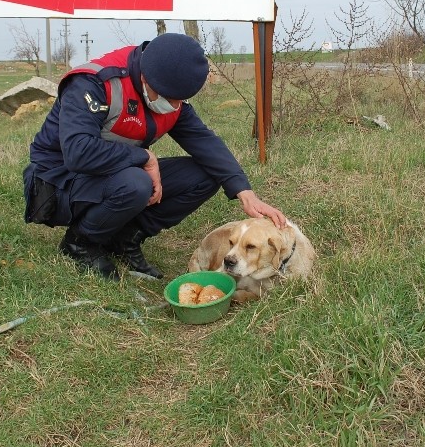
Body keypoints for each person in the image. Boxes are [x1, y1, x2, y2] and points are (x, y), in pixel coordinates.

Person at [22, 32, 287, 281]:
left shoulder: (167, 94)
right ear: (146, 79)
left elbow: (205, 143)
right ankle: (80, 243)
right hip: (58, 180)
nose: (174, 107)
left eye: (181, 100)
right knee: (137, 182)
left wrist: (244, 192)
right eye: (171, 98)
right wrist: (144, 157)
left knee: (206, 174)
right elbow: (78, 153)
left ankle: (124, 238)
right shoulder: (94, 84)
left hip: (112, 174)